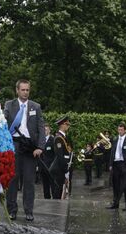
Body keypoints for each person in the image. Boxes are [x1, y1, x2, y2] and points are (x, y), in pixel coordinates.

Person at [4, 79, 45, 221]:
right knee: (13, 180)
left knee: (29, 181)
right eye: (23, 90)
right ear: (17, 90)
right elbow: (2, 123)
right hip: (14, 145)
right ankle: (12, 210)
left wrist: (40, 147)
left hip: (30, 148)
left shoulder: (36, 106)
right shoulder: (9, 105)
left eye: (27, 90)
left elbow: (41, 127)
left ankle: (29, 211)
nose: (25, 92)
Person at [107, 122, 126, 211]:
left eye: (121, 130)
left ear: (125, 130)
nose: (120, 131)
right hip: (116, 164)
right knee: (116, 185)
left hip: (124, 164)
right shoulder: (115, 139)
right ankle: (115, 203)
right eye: (119, 130)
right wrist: (110, 164)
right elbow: (112, 152)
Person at [50, 116, 74, 199]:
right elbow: (60, 156)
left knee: (62, 191)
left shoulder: (65, 137)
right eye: (67, 124)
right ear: (62, 125)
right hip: (59, 169)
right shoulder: (58, 138)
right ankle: (56, 209)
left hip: (64, 168)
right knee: (58, 192)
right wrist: (66, 170)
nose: (68, 126)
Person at [39, 123, 55, 199]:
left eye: (46, 129)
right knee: (45, 185)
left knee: (53, 185)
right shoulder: (41, 140)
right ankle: (46, 199)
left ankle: (55, 200)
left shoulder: (53, 140)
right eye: (43, 130)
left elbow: (55, 155)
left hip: (51, 167)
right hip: (43, 167)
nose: (44, 131)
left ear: (49, 130)